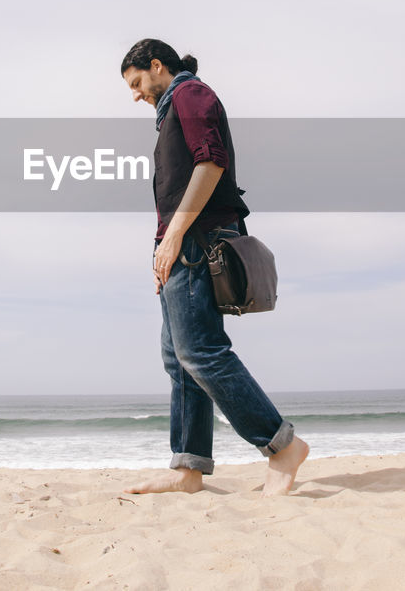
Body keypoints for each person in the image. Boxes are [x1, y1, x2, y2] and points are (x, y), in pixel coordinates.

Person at [119, 38, 309, 496]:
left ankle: (282, 446)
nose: (136, 94)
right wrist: (163, 248)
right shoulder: (171, 108)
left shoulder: (189, 94)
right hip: (179, 246)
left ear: (157, 66)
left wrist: (176, 238)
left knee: (201, 352)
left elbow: (212, 164)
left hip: (197, 243)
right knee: (179, 359)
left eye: (138, 82)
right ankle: (188, 469)